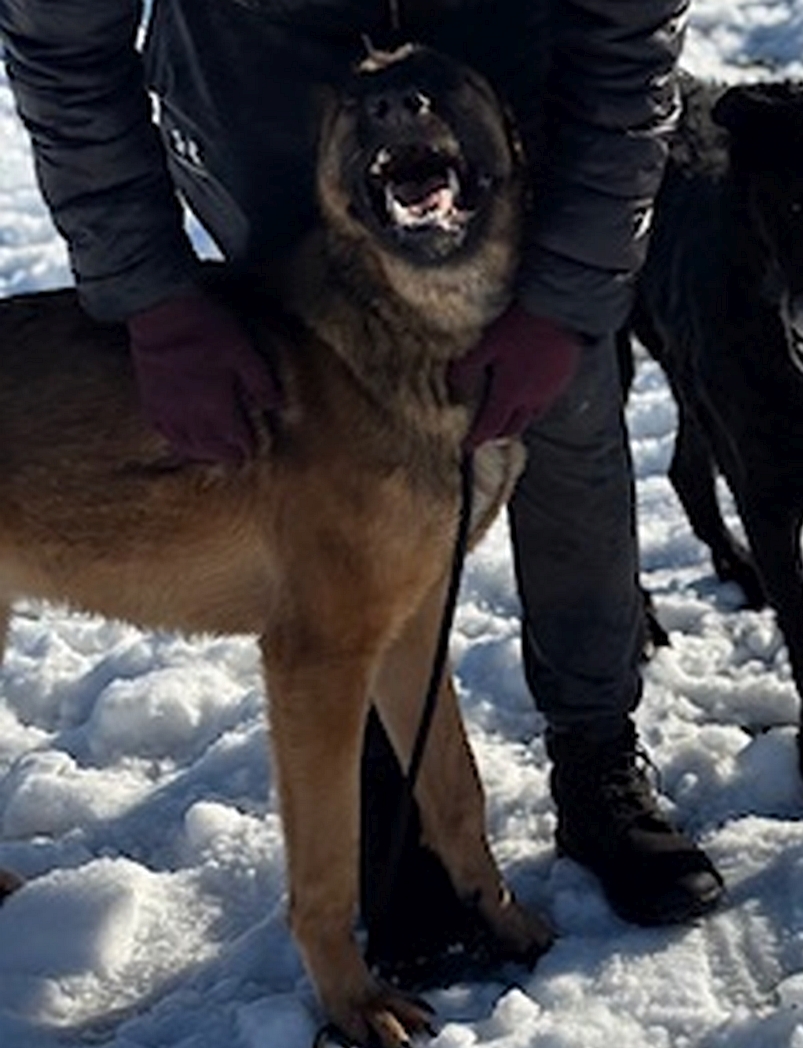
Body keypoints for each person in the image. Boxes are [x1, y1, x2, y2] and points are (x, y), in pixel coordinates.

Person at [0, 0, 724, 944]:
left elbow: (628, 40)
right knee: (338, 517)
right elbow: (60, 43)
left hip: (507, 51)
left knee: (567, 421)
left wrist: (565, 303)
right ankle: (385, 820)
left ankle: (595, 760)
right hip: (256, 68)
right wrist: (153, 303)